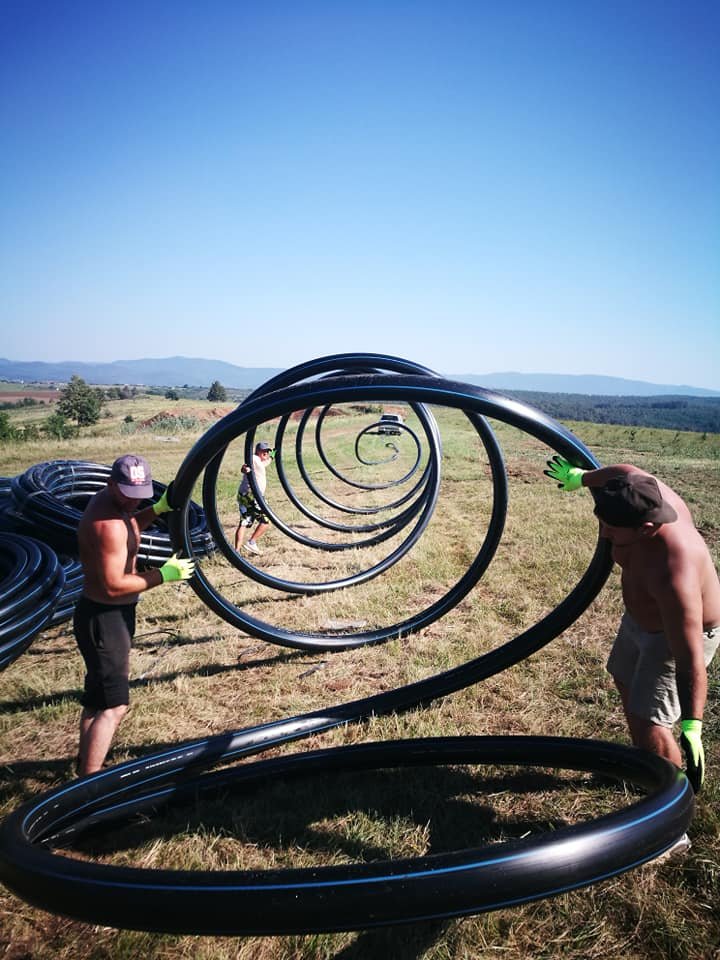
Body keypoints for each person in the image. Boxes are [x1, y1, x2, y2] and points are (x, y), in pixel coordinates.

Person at [545, 456, 720, 801]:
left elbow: (689, 660)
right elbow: (625, 471)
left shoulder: (674, 571)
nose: (604, 533)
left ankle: (668, 816)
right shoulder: (638, 489)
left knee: (648, 718)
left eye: (612, 529)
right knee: (624, 679)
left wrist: (693, 726)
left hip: (676, 638)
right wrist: (583, 478)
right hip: (640, 621)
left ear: (646, 529)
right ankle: (647, 766)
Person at [74, 454, 195, 776]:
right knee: (115, 705)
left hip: (104, 616)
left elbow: (129, 527)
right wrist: (163, 575)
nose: (133, 501)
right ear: (111, 483)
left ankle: (84, 769)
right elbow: (114, 586)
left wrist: (154, 510)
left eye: (140, 495)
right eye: (128, 494)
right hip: (105, 618)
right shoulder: (107, 525)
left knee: (98, 700)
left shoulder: (115, 506)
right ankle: (89, 784)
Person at [234, 441, 274, 555]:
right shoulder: (254, 459)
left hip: (244, 495)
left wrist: (274, 455)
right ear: (258, 452)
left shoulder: (260, 462)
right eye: (265, 451)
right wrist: (244, 469)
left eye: (268, 451)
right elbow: (246, 467)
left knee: (244, 522)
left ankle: (236, 552)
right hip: (253, 496)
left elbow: (267, 461)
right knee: (266, 520)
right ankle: (252, 543)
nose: (266, 453)